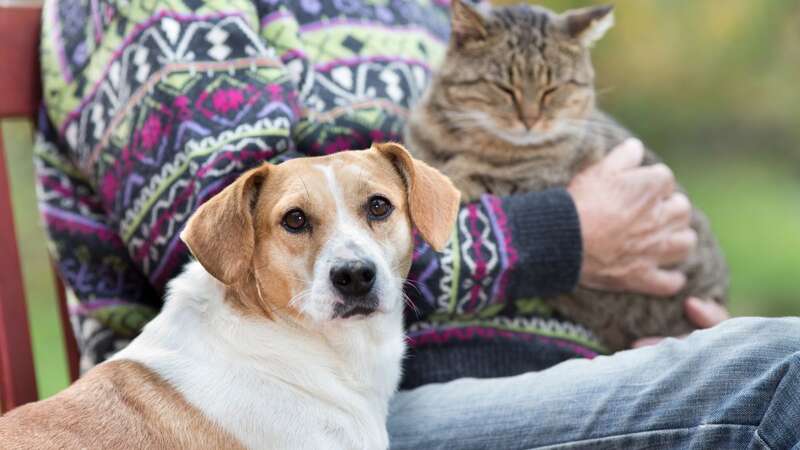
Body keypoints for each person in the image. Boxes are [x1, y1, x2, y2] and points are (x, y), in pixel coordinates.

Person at [35, 0, 798, 448]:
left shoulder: (439, 13)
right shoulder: (158, 12)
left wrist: (667, 317)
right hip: (312, 404)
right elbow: (225, 232)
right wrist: (566, 235)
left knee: (744, 361)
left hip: (574, 364)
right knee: (778, 368)